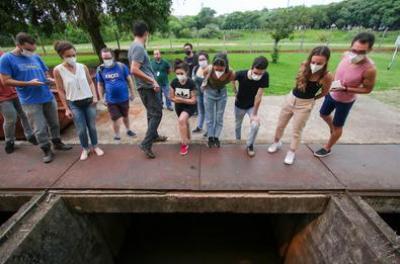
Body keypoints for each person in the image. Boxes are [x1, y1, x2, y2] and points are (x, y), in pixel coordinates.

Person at [0, 32, 71, 163]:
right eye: (28, 49)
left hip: (47, 96)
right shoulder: (6, 59)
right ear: (18, 45)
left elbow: (44, 73)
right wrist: (28, 83)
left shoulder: (36, 57)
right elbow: (5, 80)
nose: (31, 52)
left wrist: (48, 79)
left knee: (54, 123)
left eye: (33, 49)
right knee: (39, 128)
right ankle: (46, 149)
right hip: (30, 100)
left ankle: (57, 142)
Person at [314, 33, 377, 158]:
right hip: (332, 93)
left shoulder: (370, 69)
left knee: (338, 125)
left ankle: (327, 147)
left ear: (369, 50)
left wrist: (346, 89)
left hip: (346, 100)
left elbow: (367, 89)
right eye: (354, 50)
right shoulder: (346, 55)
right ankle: (334, 130)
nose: (356, 54)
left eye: (361, 52)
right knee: (323, 114)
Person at [268, 46, 333, 164]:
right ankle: (276, 142)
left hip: (305, 104)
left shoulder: (327, 76)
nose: (315, 64)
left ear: (326, 62)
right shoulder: (304, 65)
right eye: (313, 62)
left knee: (296, 130)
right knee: (280, 125)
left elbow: (325, 92)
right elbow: (297, 82)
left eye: (319, 63)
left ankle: (291, 152)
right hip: (291, 99)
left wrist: (312, 99)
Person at [53, 41, 104, 161]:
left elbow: (91, 82)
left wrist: (95, 96)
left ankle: (95, 146)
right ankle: (85, 148)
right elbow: (60, 90)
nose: (72, 58)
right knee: (81, 129)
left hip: (89, 102)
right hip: (74, 104)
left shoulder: (82, 67)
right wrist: (66, 108)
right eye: (68, 56)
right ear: (62, 56)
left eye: (73, 55)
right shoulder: (58, 70)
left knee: (92, 126)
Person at [129, 21, 167, 159]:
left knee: (151, 113)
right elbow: (134, 69)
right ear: (146, 33)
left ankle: (154, 135)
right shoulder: (139, 47)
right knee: (157, 114)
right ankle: (146, 143)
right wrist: (152, 81)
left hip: (145, 86)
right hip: (146, 87)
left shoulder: (133, 46)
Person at [0, 50, 37, 153]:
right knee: (11, 118)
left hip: (15, 92)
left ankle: (30, 135)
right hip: (2, 98)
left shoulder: (3, 55)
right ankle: (9, 141)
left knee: (24, 114)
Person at [96, 48, 136, 141]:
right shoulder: (100, 69)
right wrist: (102, 98)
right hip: (111, 100)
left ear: (113, 56)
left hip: (124, 98)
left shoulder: (121, 66)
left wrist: (132, 93)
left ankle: (128, 130)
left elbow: (129, 80)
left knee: (125, 115)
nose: (107, 60)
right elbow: (100, 84)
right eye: (104, 58)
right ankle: (117, 134)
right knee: (115, 118)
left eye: (108, 58)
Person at [233, 56, 269, 157]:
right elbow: (232, 78)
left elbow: (259, 96)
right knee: (237, 125)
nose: (257, 75)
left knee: (255, 124)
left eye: (260, 73)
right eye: (256, 72)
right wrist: (235, 91)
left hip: (251, 106)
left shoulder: (265, 76)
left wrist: (254, 114)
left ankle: (250, 145)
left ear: (264, 70)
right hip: (239, 105)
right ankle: (238, 141)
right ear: (251, 68)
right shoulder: (241, 74)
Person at [202, 53, 235, 148]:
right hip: (209, 92)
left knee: (219, 117)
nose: (218, 71)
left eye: (221, 70)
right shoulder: (208, 69)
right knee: (209, 117)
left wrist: (235, 91)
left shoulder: (231, 72)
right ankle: (210, 137)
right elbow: (205, 77)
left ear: (226, 66)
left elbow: (233, 82)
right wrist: (207, 86)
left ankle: (216, 137)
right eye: (216, 69)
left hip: (222, 94)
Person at [169, 60, 197, 155]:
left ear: (186, 72)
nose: (179, 75)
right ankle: (188, 138)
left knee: (181, 120)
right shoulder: (174, 82)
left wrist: (180, 99)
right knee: (185, 122)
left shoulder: (191, 83)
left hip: (190, 107)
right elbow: (171, 97)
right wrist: (179, 100)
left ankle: (184, 144)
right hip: (179, 107)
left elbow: (193, 100)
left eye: (181, 73)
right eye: (177, 73)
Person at [191, 51, 209, 135]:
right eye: (200, 59)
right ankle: (199, 126)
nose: (201, 61)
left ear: (207, 59)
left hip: (208, 94)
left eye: (203, 59)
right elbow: (192, 81)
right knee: (201, 111)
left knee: (208, 112)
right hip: (199, 94)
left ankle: (209, 129)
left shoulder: (210, 69)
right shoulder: (195, 69)